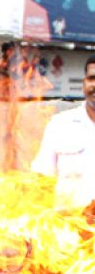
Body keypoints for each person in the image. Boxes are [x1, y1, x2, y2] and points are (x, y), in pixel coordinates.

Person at [30, 55, 95, 207]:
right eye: (92, 78)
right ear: (84, 83)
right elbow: (42, 178)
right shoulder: (60, 125)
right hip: (69, 226)